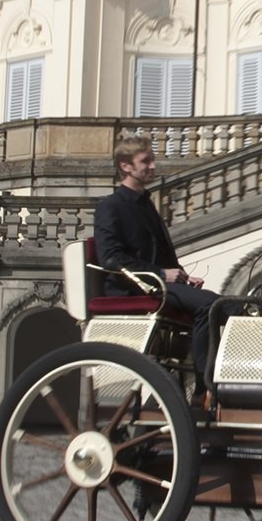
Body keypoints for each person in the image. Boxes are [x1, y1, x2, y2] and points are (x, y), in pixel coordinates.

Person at [94, 135, 219, 407]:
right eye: (145, 161)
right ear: (125, 166)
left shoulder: (147, 204)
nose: (153, 165)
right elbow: (111, 259)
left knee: (223, 305)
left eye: (152, 160)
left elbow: (163, 255)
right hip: (134, 289)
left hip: (161, 285)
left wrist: (183, 275)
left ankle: (211, 384)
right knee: (209, 305)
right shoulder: (110, 207)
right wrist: (163, 275)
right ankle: (202, 389)